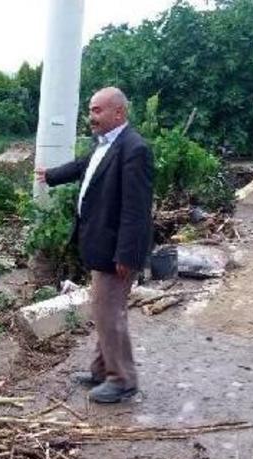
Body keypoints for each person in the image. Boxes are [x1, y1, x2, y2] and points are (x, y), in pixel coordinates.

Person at [35, 86, 154, 403]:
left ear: (119, 113)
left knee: (110, 314)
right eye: (90, 110)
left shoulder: (134, 149)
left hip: (117, 250)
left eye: (98, 110)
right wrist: (50, 176)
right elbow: (82, 168)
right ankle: (102, 370)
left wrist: (126, 254)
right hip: (102, 244)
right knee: (104, 311)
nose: (91, 117)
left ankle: (123, 379)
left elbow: (136, 209)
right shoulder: (104, 145)